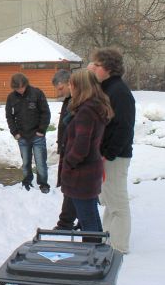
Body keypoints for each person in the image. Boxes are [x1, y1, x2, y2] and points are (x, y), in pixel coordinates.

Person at [87, 48, 136, 254]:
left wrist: (109, 152)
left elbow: (124, 126)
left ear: (108, 68)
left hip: (115, 156)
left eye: (97, 65)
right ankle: (108, 238)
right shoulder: (107, 88)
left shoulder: (119, 92)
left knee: (117, 202)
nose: (93, 68)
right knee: (108, 200)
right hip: (106, 154)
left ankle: (119, 246)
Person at [60, 69, 114, 233]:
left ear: (79, 86)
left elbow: (81, 147)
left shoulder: (86, 111)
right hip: (88, 172)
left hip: (81, 174)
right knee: (90, 217)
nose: (69, 87)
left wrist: (68, 164)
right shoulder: (93, 106)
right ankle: (98, 252)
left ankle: (94, 255)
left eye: (71, 84)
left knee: (88, 221)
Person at [5, 73, 52, 193]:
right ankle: (27, 181)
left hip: (37, 135)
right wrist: (15, 132)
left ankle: (43, 184)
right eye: (17, 88)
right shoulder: (11, 97)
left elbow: (45, 113)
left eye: (22, 87)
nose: (20, 90)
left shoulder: (37, 93)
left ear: (26, 84)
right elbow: (9, 117)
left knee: (40, 162)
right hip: (22, 136)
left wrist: (41, 130)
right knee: (26, 162)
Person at [52, 69, 77, 230]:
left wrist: (72, 154)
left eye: (61, 88)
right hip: (67, 149)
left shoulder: (79, 101)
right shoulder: (69, 100)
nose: (59, 92)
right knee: (70, 187)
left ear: (70, 83)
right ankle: (69, 221)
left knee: (72, 187)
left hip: (74, 152)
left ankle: (66, 222)